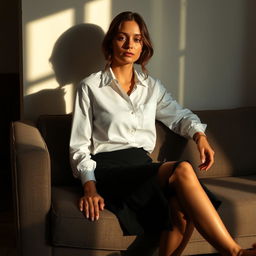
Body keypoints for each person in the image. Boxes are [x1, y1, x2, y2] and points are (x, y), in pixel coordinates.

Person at [70, 11, 256, 256]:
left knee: (180, 208)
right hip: (110, 169)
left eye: (136, 39)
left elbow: (179, 116)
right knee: (183, 169)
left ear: (143, 45)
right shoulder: (90, 86)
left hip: (141, 166)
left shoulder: (151, 87)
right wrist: (90, 188)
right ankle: (236, 253)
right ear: (110, 43)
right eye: (122, 38)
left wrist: (200, 136)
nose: (129, 45)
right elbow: (79, 146)